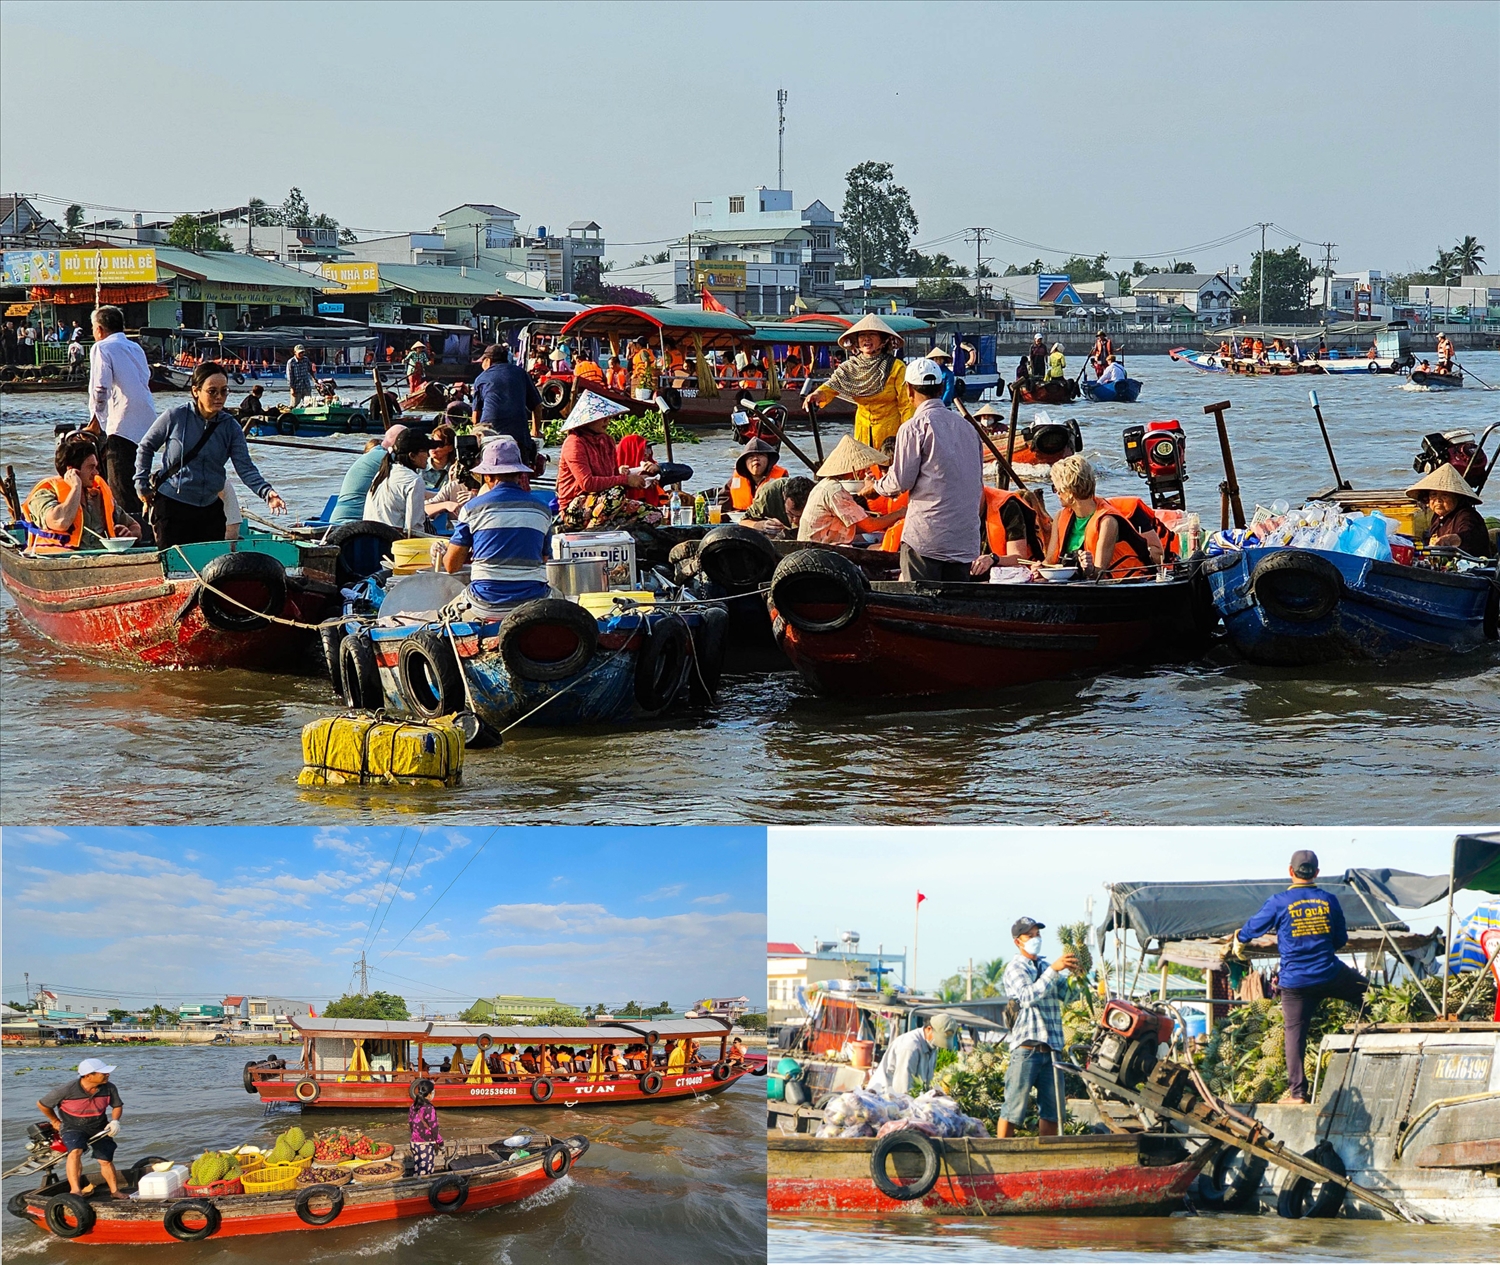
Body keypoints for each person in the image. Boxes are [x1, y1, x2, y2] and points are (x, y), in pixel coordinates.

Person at [1231, 850, 1367, 1105]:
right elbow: (1340, 939)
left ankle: (1297, 1094)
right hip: (1329, 973)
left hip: (1295, 983)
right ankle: (1376, 1040)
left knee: (1294, 1035)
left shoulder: (1278, 902)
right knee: (1369, 993)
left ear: (1290, 871)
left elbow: (1252, 928)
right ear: (1316, 873)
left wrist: (1239, 939)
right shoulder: (1329, 900)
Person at [134, 363, 286, 547]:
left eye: (224, 391)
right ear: (196, 391)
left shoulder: (230, 426)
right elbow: (146, 446)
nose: (219, 397)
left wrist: (268, 493)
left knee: (211, 569)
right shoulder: (175, 417)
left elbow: (245, 467)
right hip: (172, 506)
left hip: (209, 508)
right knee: (175, 567)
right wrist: (141, 485)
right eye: (212, 391)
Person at [864, 357, 982, 582]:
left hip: (927, 540)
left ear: (908, 391)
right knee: (954, 609)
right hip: (964, 541)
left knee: (920, 606)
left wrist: (875, 486)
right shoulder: (968, 428)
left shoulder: (913, 427)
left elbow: (899, 483)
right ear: (940, 388)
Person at [443, 435, 554, 615]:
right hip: (534, 602)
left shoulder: (471, 508)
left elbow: (451, 566)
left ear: (487, 477)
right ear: (519, 474)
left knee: (445, 611)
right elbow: (544, 558)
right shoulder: (543, 510)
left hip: (484, 604)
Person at [997, 918, 1078, 1138]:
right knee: (1013, 1108)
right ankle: (1002, 1157)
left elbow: (1069, 996)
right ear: (1018, 942)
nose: (1036, 939)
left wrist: (1078, 977)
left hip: (1051, 1050)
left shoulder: (1044, 966)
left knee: (1052, 1112)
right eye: (1030, 936)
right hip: (1027, 1049)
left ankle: (1046, 1160)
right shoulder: (1015, 968)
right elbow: (1027, 996)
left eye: (1037, 934)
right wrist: (1053, 970)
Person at [84, 305, 157, 538]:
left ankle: (133, 536)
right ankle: (146, 530)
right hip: (147, 419)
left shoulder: (101, 347)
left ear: (99, 329)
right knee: (139, 477)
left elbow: (100, 387)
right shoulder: (135, 347)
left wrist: (95, 421)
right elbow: (145, 378)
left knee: (121, 483)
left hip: (122, 422)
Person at [803, 314, 913, 451]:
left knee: (888, 466)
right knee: (863, 467)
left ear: (883, 340)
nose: (866, 339)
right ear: (857, 342)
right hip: (863, 428)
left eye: (872, 334)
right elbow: (832, 385)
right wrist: (818, 394)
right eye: (862, 336)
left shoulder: (896, 367)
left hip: (890, 430)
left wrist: (908, 435)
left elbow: (906, 404)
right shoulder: (850, 366)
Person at [24, 432, 142, 552]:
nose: (96, 473)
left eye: (96, 467)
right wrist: (76, 487)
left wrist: (129, 534)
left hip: (102, 557)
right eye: (91, 467)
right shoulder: (44, 494)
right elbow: (60, 522)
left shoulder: (98, 495)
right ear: (72, 470)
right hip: (62, 558)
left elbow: (135, 527)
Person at [1044, 455, 1152, 578]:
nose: (1056, 494)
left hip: (1117, 583)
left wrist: (1089, 567)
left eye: (1056, 489)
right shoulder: (1060, 517)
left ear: (1069, 493)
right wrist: (1039, 568)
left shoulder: (1107, 522)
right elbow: (1050, 562)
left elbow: (1099, 573)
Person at [37, 1058, 126, 1198]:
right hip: (73, 1126)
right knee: (75, 1151)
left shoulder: (109, 1087)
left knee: (105, 1160)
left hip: (99, 1125)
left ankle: (115, 1191)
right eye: (103, 1073)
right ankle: (75, 1190)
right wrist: (54, 1120)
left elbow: (117, 1106)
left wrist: (115, 1121)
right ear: (88, 1075)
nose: (107, 1075)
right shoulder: (66, 1089)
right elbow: (43, 1104)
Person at [798, 435, 904, 546]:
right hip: (818, 548)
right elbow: (869, 526)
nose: (866, 472)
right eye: (864, 468)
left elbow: (857, 524)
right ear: (856, 470)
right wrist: (899, 513)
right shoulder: (835, 491)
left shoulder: (825, 484)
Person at [555, 390, 648, 510]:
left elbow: (613, 476)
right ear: (587, 420)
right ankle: (592, 528)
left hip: (604, 499)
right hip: (576, 504)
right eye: (602, 417)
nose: (607, 420)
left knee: (653, 514)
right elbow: (587, 484)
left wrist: (639, 480)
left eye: (608, 416)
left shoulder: (607, 441)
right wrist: (626, 480)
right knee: (617, 494)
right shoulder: (574, 443)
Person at [472, 343, 543, 461]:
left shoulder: (480, 379)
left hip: (489, 434)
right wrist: (535, 431)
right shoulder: (520, 373)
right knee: (522, 469)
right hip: (519, 435)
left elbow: (475, 418)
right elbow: (537, 405)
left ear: (488, 361)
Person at [1407, 464, 1492, 556]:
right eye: (1433, 495)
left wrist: (1452, 540)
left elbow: (1468, 535)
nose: (1438, 500)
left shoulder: (1467, 516)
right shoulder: (1437, 516)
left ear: (1457, 497)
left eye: (1445, 495)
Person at [865, 1013, 956, 1097]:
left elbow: (926, 1081)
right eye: (939, 1039)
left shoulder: (932, 1046)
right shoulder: (910, 1047)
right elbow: (902, 1089)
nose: (939, 1044)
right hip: (883, 1097)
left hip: (908, 1096)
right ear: (929, 1029)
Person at [363, 428, 434, 533]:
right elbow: (414, 530)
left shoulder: (383, 473)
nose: (428, 456)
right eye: (425, 451)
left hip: (371, 538)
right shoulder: (414, 481)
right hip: (392, 543)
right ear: (412, 456)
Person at [330, 424, 405, 524]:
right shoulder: (385, 458)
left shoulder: (374, 454)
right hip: (352, 523)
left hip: (338, 520)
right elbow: (410, 487)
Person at [720, 437, 789, 512]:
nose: (756, 458)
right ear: (744, 462)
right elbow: (723, 499)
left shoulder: (781, 478)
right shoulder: (736, 479)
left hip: (770, 519)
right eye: (751, 456)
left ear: (769, 460)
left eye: (761, 455)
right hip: (741, 518)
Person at [743, 475, 814, 534]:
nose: (795, 521)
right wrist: (762, 525)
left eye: (800, 516)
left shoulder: (819, 496)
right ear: (784, 496)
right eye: (791, 514)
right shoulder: (769, 493)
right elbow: (743, 522)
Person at [615, 432, 666, 506]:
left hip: (653, 511)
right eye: (644, 449)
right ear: (630, 451)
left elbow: (686, 472)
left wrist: (659, 469)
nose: (647, 453)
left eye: (649, 449)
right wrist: (622, 478)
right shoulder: (612, 471)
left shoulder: (653, 469)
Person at [408, 1079, 444, 1175]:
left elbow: (411, 1123)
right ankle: (422, 1189)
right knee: (426, 1171)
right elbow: (434, 1128)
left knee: (417, 1167)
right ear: (429, 1094)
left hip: (414, 1143)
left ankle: (415, 1184)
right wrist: (441, 1143)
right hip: (425, 1144)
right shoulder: (429, 1108)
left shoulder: (413, 1106)